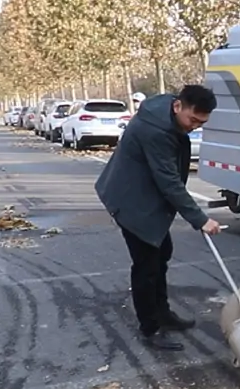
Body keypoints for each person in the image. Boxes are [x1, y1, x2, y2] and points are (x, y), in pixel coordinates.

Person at [95, 85, 222, 351]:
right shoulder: (156, 131)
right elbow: (168, 182)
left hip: (144, 193)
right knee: (146, 266)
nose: (194, 127)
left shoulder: (167, 112)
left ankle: (162, 313)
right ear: (178, 106)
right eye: (193, 120)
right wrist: (200, 219)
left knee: (162, 253)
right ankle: (150, 328)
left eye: (201, 123)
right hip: (131, 200)